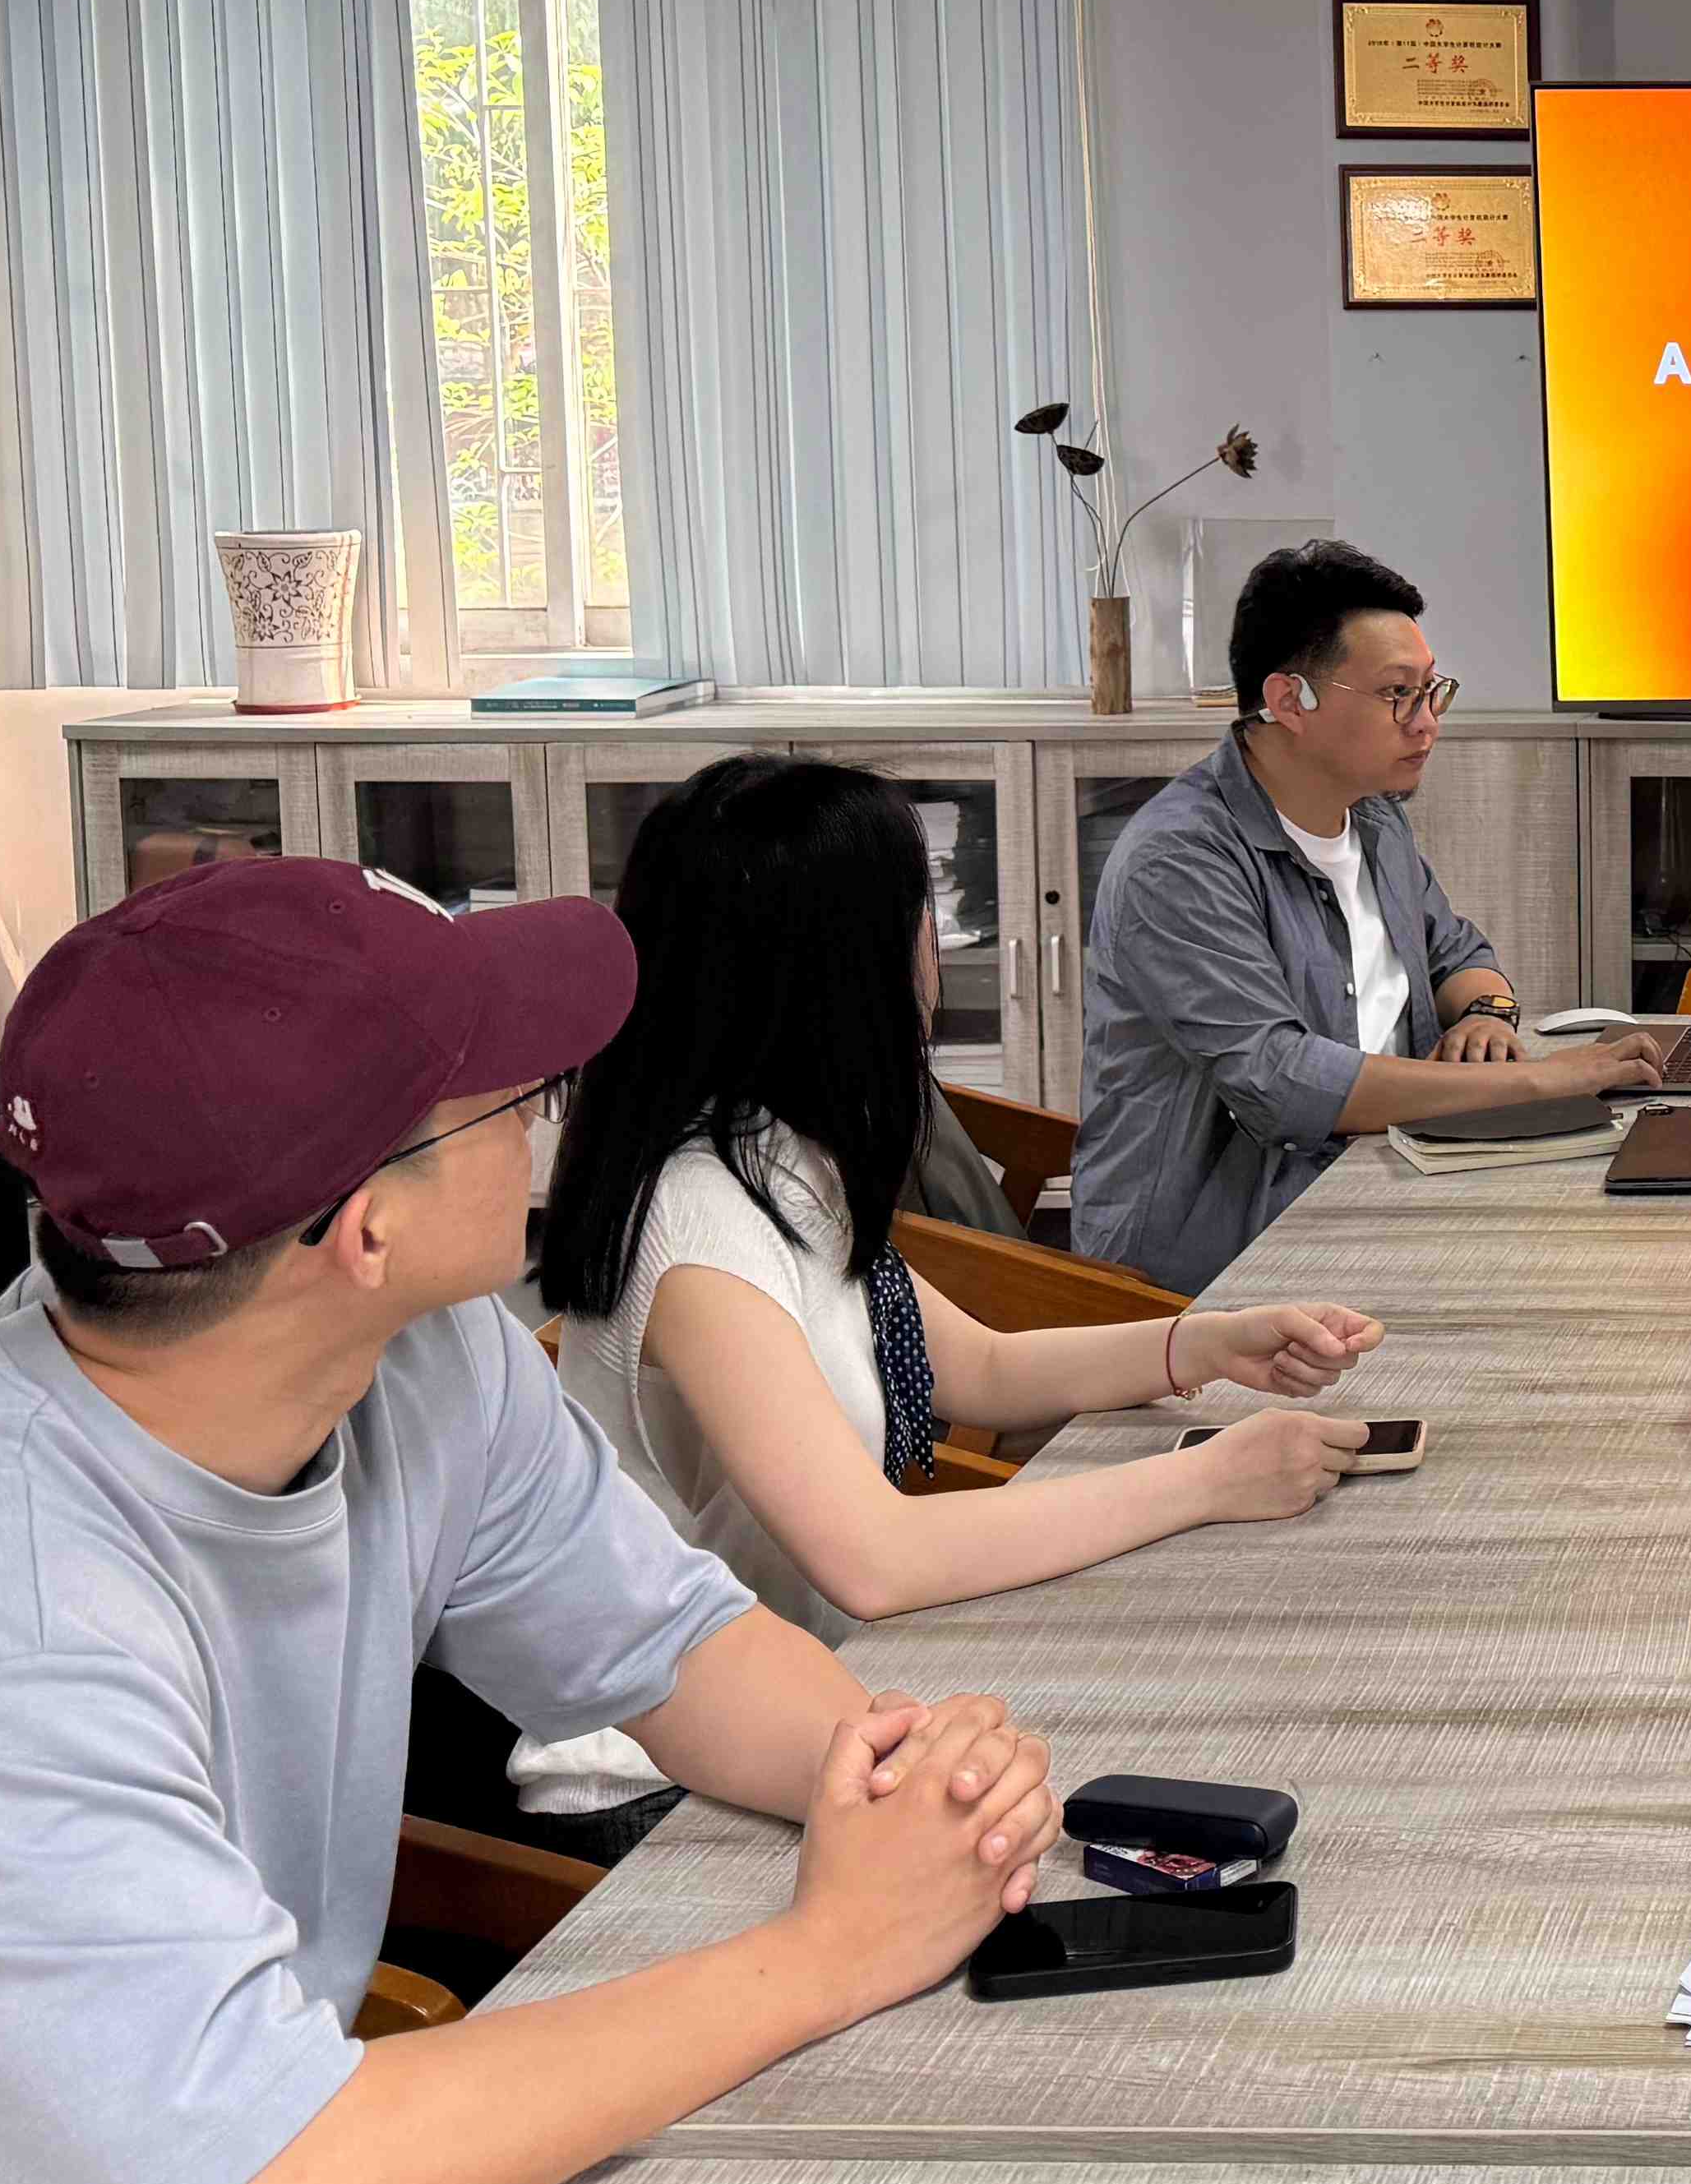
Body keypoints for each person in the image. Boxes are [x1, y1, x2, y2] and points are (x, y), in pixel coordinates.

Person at [0, 863, 1065, 2184]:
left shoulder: (415, 1357)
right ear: (365, 1229)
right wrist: (830, 1949)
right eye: (514, 1096)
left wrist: (907, 1784)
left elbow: (678, 1647)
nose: (548, 1126)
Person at [513, 756, 1385, 1841]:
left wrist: (1201, 1346)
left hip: (814, 1706)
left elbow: (975, 1368)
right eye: (918, 910)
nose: (934, 942)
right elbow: (875, 1560)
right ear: (839, 961)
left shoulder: (770, 1151)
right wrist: (1209, 1480)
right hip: (661, 1788)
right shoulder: (698, 1229)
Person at [1079, 539, 1662, 1291]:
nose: (1427, 724)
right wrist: (1544, 1082)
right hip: (1229, 1261)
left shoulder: (1374, 818)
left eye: (1431, 691)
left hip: (1387, 1179)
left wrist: (1486, 1014)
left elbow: (1455, 951)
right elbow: (1284, 1082)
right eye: (1397, 695)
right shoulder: (1180, 861)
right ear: (1289, 700)